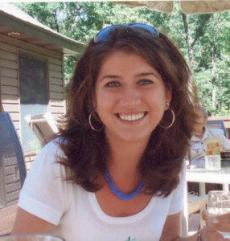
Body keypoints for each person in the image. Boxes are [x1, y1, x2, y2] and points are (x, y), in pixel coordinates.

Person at [13, 23, 230, 241]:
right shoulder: (59, 162)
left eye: (145, 81)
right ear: (92, 98)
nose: (130, 99)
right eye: (113, 83)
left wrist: (204, 237)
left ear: (168, 95)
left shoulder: (171, 159)